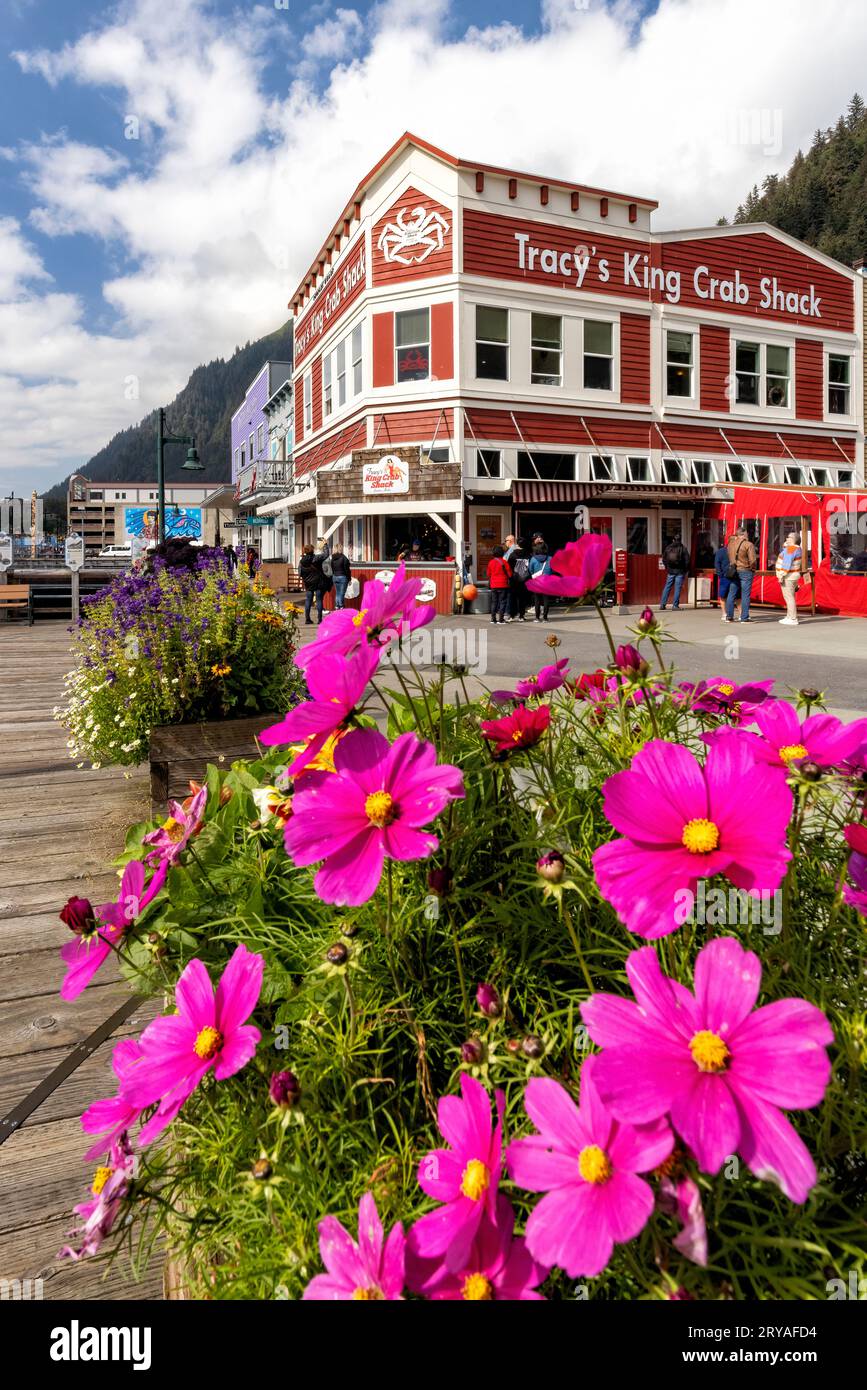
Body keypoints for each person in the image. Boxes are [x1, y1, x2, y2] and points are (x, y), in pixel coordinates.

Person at [725, 526, 757, 623]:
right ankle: (744, 618)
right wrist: (753, 569)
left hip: (734, 571)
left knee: (732, 593)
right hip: (746, 570)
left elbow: (729, 557)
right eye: (746, 533)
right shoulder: (748, 544)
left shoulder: (730, 544)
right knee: (745, 595)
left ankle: (729, 617)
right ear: (743, 534)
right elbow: (753, 560)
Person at [775, 530, 803, 627]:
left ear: (793, 539)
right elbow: (786, 556)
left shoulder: (791, 549)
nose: (786, 538)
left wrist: (781, 575)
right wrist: (785, 547)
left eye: (789, 537)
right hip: (793, 575)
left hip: (788, 576)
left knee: (789, 597)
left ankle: (792, 618)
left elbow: (786, 563)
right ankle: (789, 616)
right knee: (790, 597)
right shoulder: (796, 548)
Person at [299, 543, 330, 624]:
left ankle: (307, 619)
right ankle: (320, 619)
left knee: (308, 600)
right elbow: (326, 554)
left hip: (308, 583)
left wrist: (306, 578)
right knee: (319, 600)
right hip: (318, 582)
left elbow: (300, 573)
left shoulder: (301, 561)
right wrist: (325, 545)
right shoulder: (316, 558)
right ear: (312, 550)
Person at [659, 534, 690, 611]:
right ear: (680, 540)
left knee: (667, 587)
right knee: (677, 588)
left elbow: (664, 559)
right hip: (680, 571)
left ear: (673, 540)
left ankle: (662, 604)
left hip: (670, 571)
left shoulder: (668, 548)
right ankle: (675, 606)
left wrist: (667, 568)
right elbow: (687, 561)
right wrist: (685, 570)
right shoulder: (683, 548)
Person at [506, 535, 531, 622]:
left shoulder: (513, 555)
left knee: (512, 597)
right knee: (522, 598)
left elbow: (508, 567)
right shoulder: (528, 555)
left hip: (514, 579)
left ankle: (512, 615)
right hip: (524, 579)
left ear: (517, 544)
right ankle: (521, 615)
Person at [486, 545, 511, 625]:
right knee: (502, 602)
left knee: (494, 602)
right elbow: (510, 574)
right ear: (502, 553)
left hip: (494, 585)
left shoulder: (491, 562)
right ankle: (501, 619)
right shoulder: (504, 562)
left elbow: (488, 574)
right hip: (503, 585)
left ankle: (493, 619)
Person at [714, 537, 737, 622]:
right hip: (725, 577)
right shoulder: (721, 551)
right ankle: (724, 613)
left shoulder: (737, 551)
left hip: (733, 576)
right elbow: (717, 563)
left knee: (736, 596)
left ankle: (738, 614)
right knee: (723, 595)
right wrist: (720, 574)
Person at [528, 543, 552, 623]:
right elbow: (553, 570)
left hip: (536, 582)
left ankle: (537, 618)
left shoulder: (533, 559)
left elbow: (530, 570)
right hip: (547, 581)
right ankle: (545, 617)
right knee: (546, 600)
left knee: (537, 600)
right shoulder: (550, 559)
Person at [330, 542, 352, 609]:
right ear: (340, 548)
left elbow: (332, 568)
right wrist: (349, 579)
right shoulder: (344, 558)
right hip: (342, 577)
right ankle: (341, 606)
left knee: (338, 593)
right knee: (341, 594)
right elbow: (347, 570)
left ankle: (337, 606)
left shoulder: (332, 558)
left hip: (335, 577)